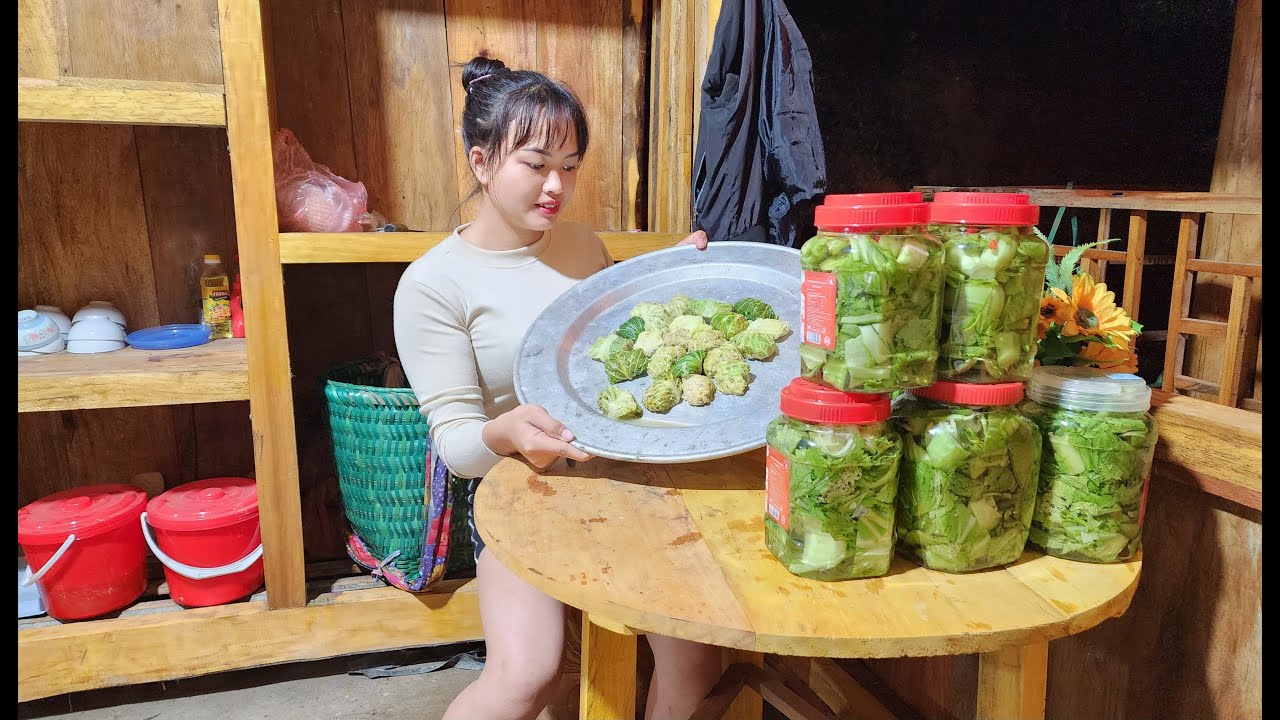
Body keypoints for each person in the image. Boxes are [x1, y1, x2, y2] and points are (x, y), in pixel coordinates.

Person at [393, 55, 722, 720]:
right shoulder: (433, 285)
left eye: (569, 166)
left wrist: (670, 281)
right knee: (528, 675)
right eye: (536, 163)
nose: (556, 185)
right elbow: (457, 445)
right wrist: (508, 431)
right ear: (482, 162)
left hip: (615, 476)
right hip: (516, 494)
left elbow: (616, 350)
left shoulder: (579, 244)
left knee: (694, 656)